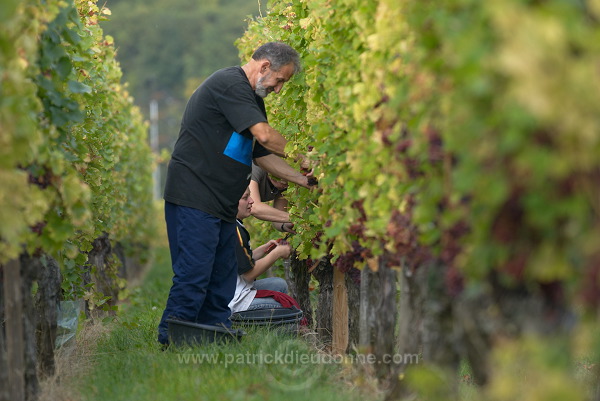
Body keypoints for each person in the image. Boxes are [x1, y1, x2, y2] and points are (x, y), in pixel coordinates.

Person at [157, 42, 314, 345]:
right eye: (280, 80)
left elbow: (261, 155)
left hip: (221, 203)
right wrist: (304, 157)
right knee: (195, 273)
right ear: (264, 66)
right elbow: (266, 136)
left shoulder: (252, 99)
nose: (279, 89)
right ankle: (172, 340)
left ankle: (212, 337)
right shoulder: (229, 84)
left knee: (220, 278)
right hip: (195, 196)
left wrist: (303, 180)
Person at [229, 187, 294, 313]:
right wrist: (277, 254)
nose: (252, 201)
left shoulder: (233, 224)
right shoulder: (234, 231)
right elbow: (249, 274)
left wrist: (264, 250)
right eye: (245, 198)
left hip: (235, 288)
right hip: (235, 300)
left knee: (279, 284)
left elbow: (241, 260)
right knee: (287, 307)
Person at [249, 162, 296, 234]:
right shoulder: (256, 167)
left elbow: (278, 218)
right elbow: (254, 207)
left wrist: (285, 225)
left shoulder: (285, 184)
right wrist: (294, 219)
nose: (286, 184)